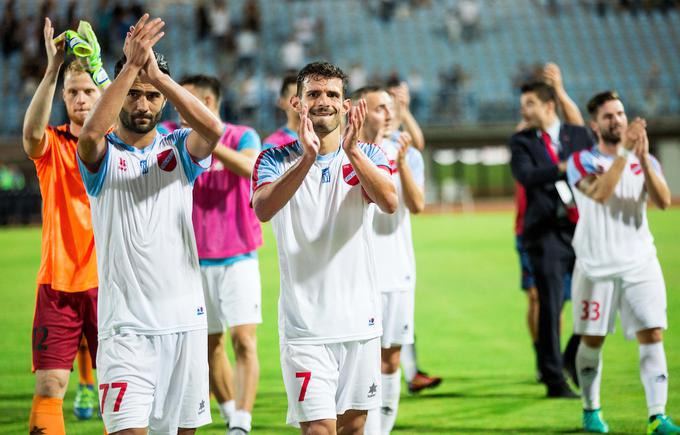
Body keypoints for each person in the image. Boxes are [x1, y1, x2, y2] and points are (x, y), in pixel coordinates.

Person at [76, 14, 224, 434]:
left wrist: (157, 75)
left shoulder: (179, 148)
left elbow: (213, 128)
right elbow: (88, 139)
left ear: (162, 101)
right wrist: (129, 69)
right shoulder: (103, 155)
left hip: (185, 324)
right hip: (127, 332)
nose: (142, 105)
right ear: (120, 94)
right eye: (134, 95)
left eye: (151, 97)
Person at [251, 61, 398, 434]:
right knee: (318, 429)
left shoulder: (368, 155)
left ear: (346, 105)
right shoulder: (273, 159)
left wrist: (354, 152)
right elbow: (264, 209)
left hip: (359, 323)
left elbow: (389, 201)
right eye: (313, 94)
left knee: (354, 428)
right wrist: (308, 159)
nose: (324, 101)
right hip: (305, 328)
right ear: (296, 104)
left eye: (332, 94)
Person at [567, 91, 679, 434]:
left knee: (652, 334)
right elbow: (600, 194)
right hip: (595, 265)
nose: (617, 120)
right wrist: (627, 153)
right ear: (594, 125)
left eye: (620, 113)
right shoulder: (581, 160)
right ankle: (591, 409)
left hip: (639, 262)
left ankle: (656, 415)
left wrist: (643, 160)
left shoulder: (645, 159)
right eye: (608, 116)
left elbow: (663, 201)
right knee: (592, 341)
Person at [23, 17, 108, 433]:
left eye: (88, 91)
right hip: (56, 285)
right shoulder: (53, 145)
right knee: (51, 384)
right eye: (73, 93)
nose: (80, 99)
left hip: (110, 284)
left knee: (119, 391)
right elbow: (30, 133)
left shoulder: (117, 147)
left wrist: (101, 72)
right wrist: (53, 68)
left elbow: (129, 114)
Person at [179, 74, 263, 435]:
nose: (182, 111)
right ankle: (231, 416)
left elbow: (250, 167)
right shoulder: (177, 136)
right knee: (209, 343)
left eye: (190, 102)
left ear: (209, 104)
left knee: (243, 339)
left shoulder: (242, 135)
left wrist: (209, 141)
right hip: (193, 259)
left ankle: (243, 420)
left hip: (239, 255)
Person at [509, 81, 593, 398]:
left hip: (582, 231)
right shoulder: (521, 141)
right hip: (544, 236)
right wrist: (564, 167)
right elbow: (526, 176)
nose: (523, 110)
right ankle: (553, 378)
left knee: (598, 298)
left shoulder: (578, 135)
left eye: (529, 103)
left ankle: (572, 353)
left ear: (548, 106)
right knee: (551, 305)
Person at [352, 86, 424, 434]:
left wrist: (401, 164)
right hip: (359, 276)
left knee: (391, 358)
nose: (390, 112)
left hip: (397, 271)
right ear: (362, 111)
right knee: (361, 362)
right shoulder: (347, 151)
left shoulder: (405, 151)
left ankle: (382, 430)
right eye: (381, 107)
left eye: (390, 106)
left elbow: (418, 204)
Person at [262, 73, 299, 150]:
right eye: (296, 96)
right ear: (281, 102)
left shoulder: (325, 137)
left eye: (307, 95)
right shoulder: (272, 145)